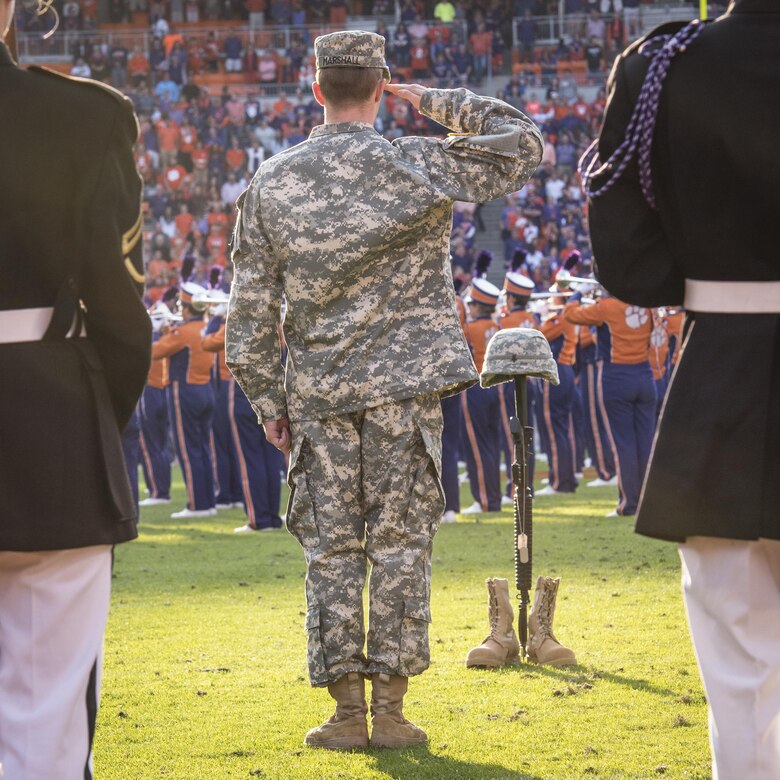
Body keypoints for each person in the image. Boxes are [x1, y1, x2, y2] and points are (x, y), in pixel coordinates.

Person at [226, 30, 542, 750]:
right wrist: (430, 100)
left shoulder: (272, 180)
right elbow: (521, 141)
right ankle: (393, 713)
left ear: (316, 89)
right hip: (406, 392)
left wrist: (271, 406)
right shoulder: (417, 161)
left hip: (319, 395)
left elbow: (245, 321)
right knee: (400, 546)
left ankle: (344, 714)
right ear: (380, 87)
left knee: (332, 552)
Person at [582, 5, 780, 778]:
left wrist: (703, 277)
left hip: (718, 381)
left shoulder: (663, 64)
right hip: (721, 367)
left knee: (737, 671)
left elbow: (626, 253)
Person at [0, 9, 151, 777]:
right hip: (50, 421)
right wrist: (88, 416)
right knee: (45, 733)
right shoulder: (86, 118)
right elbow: (123, 322)